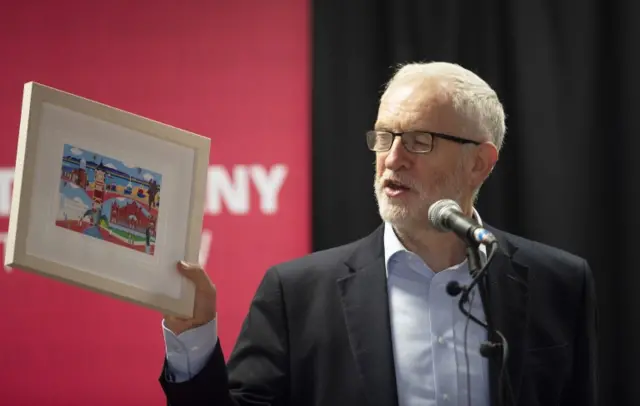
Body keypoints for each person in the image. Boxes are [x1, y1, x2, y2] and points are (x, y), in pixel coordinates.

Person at [158, 62, 598, 406]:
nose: (393, 158)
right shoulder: (297, 295)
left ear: (479, 163)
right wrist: (193, 336)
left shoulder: (558, 283)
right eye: (385, 138)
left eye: (419, 140)